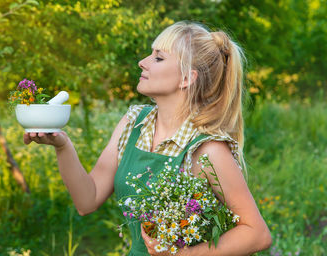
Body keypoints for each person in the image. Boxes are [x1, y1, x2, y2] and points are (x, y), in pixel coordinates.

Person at [23, 21, 272, 255]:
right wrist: (62, 146)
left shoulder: (208, 149)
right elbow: (87, 201)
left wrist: (184, 254)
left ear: (186, 78)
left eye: (158, 58)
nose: (143, 62)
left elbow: (257, 234)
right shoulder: (133, 123)